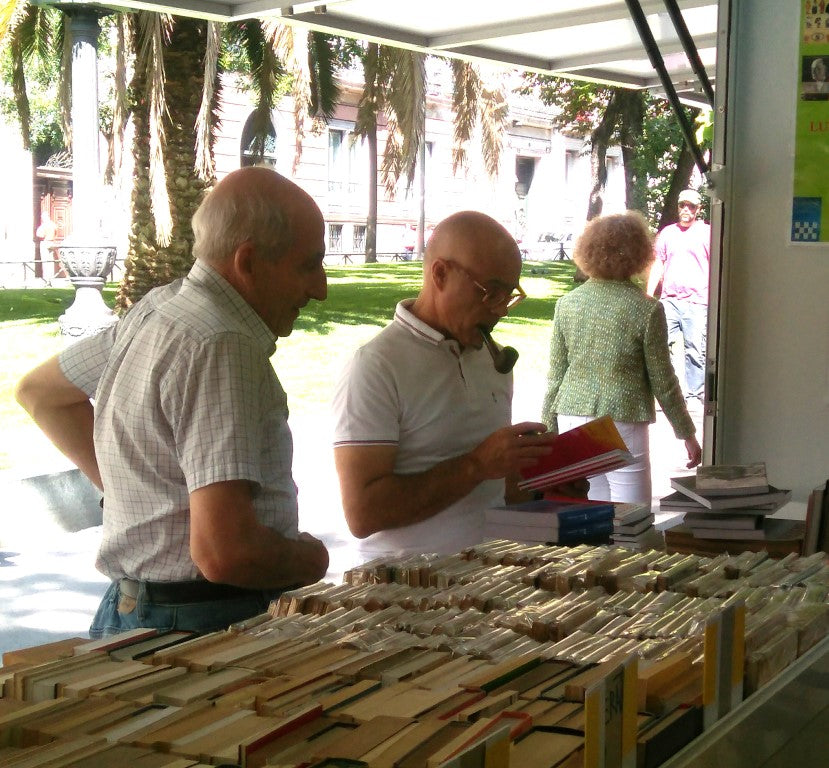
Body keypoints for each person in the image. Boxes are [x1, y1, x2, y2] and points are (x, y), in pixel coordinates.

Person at [15, 167, 330, 637]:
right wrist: (310, 559)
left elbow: (42, 394)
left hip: (134, 612)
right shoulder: (224, 343)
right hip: (202, 623)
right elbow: (227, 553)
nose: (320, 289)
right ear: (247, 261)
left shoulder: (158, 308)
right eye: (308, 265)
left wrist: (136, 490)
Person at [332, 210, 566, 560]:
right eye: (491, 292)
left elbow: (494, 489)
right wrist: (476, 465)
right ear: (440, 273)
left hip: (490, 578)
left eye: (509, 294)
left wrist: (546, 487)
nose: (501, 310)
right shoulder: (375, 365)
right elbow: (363, 514)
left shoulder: (493, 358)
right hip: (407, 591)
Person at [543, 211, 702, 504]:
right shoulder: (646, 309)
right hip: (624, 417)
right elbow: (663, 380)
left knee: (591, 515)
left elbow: (555, 374)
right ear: (640, 254)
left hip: (571, 416)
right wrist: (686, 433)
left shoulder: (567, 304)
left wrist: (548, 428)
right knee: (632, 518)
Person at [647, 188, 711, 410]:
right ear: (678, 207)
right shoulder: (667, 233)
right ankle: (669, 395)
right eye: (683, 205)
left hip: (697, 301)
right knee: (662, 347)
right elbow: (658, 264)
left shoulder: (707, 233)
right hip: (669, 301)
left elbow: (718, 265)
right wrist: (649, 294)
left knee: (696, 349)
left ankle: (695, 396)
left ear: (698, 209)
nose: (686, 210)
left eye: (691, 206)